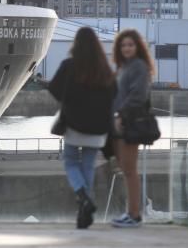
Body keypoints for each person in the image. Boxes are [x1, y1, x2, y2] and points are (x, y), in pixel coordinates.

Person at [47, 27, 116, 229]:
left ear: (76, 44)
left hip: (74, 125)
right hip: (98, 129)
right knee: (87, 166)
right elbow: (114, 94)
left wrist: (69, 101)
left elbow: (54, 89)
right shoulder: (104, 69)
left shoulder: (69, 65)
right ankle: (84, 215)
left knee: (70, 162)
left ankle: (83, 197)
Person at [110, 28, 155, 229]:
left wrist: (120, 115)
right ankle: (131, 212)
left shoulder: (138, 66)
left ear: (137, 47)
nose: (126, 48)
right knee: (126, 169)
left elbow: (138, 95)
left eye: (130, 44)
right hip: (120, 124)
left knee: (130, 170)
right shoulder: (124, 67)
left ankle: (134, 215)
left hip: (129, 123)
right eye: (123, 45)